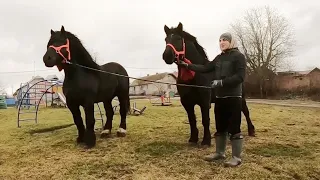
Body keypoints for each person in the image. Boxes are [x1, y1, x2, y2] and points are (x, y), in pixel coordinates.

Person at [177, 32, 246, 167]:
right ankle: (220, 153)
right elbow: (205, 68)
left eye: (225, 40)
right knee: (220, 127)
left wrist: (221, 83)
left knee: (234, 127)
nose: (222, 42)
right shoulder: (219, 58)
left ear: (231, 41)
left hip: (233, 97)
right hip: (219, 97)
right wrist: (187, 65)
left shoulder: (239, 57)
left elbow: (240, 77)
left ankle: (236, 157)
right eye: (220, 40)